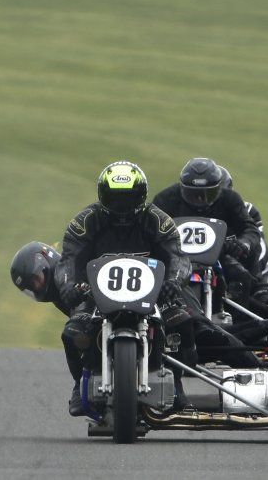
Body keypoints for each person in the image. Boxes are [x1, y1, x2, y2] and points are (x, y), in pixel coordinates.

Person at [54, 161, 190, 416]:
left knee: (182, 321)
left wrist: (174, 281)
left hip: (153, 290)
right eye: (115, 199)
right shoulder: (85, 221)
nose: (121, 207)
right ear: (102, 196)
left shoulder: (158, 221)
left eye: (128, 199)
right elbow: (67, 260)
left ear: (141, 196)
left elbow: (179, 257)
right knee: (72, 333)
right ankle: (79, 384)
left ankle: (177, 385)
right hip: (96, 293)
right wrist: (68, 287)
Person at [150, 158, 268, 308]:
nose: (200, 200)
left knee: (242, 277)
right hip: (176, 258)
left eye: (208, 194)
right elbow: (150, 230)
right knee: (156, 279)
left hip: (217, 256)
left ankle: (240, 321)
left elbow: (250, 229)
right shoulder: (165, 199)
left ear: (218, 189)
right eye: (193, 194)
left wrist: (243, 243)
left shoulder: (230, 199)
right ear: (182, 188)